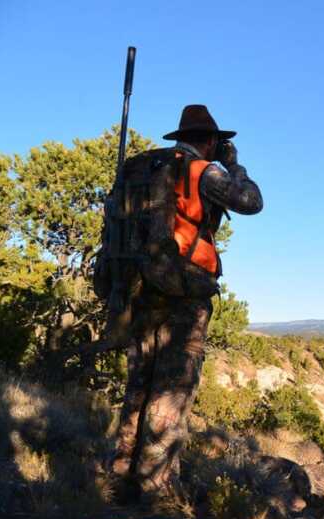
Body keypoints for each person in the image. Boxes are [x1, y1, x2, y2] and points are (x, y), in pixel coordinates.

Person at [110, 104, 262, 498]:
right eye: (218, 143)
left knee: (139, 386)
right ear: (210, 140)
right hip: (185, 289)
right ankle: (155, 490)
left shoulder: (148, 169)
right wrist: (235, 166)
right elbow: (250, 201)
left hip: (141, 288)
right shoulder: (199, 170)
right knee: (171, 390)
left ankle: (121, 473)